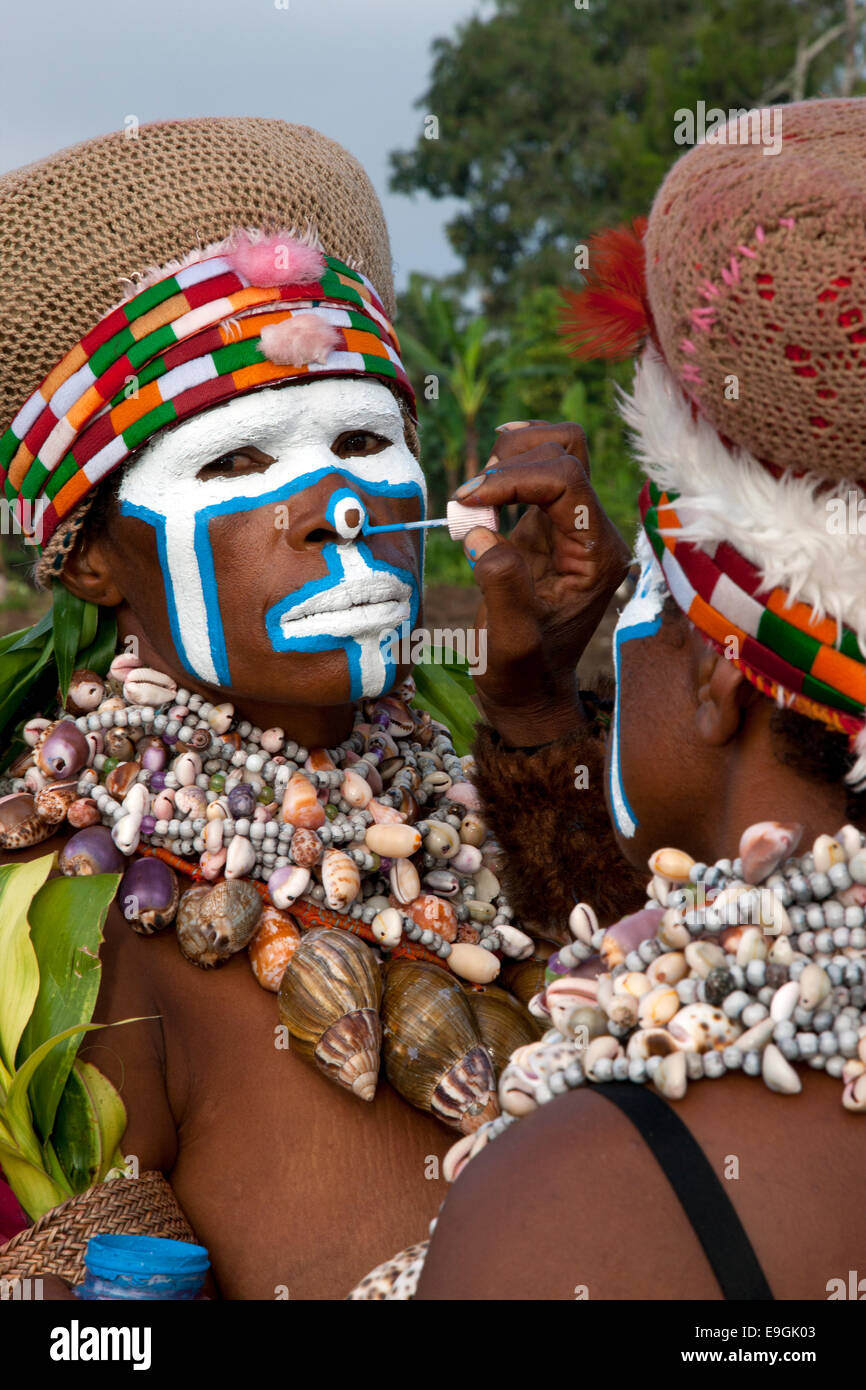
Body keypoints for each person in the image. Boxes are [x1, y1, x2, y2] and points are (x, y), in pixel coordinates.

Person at [0, 117, 569, 1300]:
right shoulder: (86, 921)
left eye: (364, 440)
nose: (336, 508)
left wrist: (533, 699)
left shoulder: (503, 794)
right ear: (94, 560)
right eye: (238, 465)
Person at [409, 97, 866, 1301]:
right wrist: (526, 705)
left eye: (650, 603)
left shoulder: (573, 1205)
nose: (620, 644)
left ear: (723, 674)